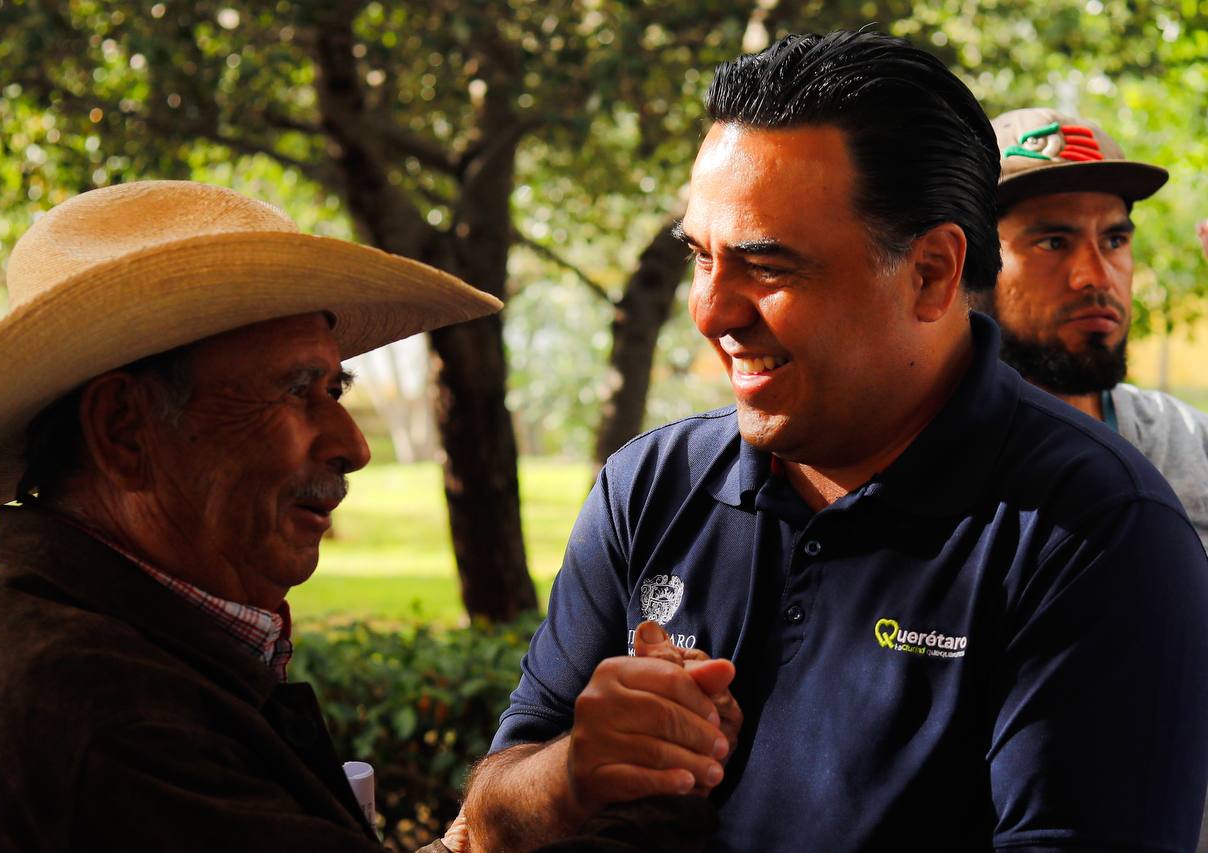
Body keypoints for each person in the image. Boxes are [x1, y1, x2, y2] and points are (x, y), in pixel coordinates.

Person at [464, 31, 1208, 853]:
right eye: (701, 257)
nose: (711, 312)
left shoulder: (1099, 532)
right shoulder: (651, 486)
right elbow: (489, 815)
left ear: (930, 273)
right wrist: (574, 773)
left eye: (767, 266)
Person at [0, 181, 718, 852]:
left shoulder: (107, 649)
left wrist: (570, 783)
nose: (351, 444)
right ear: (124, 430)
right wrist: (662, 784)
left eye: (334, 390)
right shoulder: (112, 723)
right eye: (296, 390)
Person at [973, 107, 1208, 551]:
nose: (1096, 276)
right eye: (1053, 243)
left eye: (1114, 241)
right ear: (970, 264)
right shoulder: (916, 454)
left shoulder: (1187, 444)